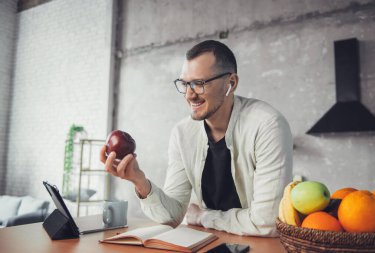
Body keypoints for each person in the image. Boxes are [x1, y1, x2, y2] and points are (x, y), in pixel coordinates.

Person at [100, 40, 293, 236]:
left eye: (199, 83)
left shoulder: (267, 124)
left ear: (231, 83)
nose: (190, 95)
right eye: (185, 84)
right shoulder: (182, 133)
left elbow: (267, 222)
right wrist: (140, 181)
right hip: (206, 240)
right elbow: (173, 216)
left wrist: (203, 217)